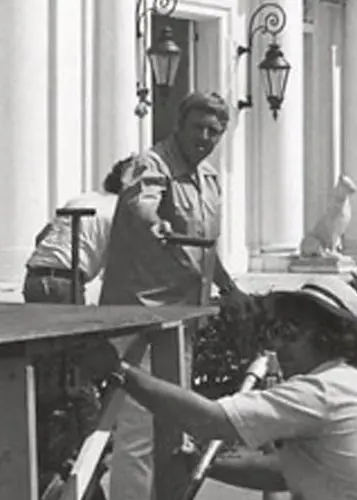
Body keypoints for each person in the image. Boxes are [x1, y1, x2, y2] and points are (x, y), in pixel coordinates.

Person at [72, 276, 357, 500]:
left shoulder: (323, 390)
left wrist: (119, 371)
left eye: (291, 332)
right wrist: (205, 465)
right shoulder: (354, 387)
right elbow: (282, 472)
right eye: (276, 329)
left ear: (328, 338)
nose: (279, 345)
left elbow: (209, 421)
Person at [99, 92, 251, 500]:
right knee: (139, 427)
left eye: (214, 131)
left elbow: (203, 246)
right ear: (179, 125)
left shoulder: (209, 178)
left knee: (173, 427)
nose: (204, 137)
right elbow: (141, 205)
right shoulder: (151, 164)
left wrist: (229, 288)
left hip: (180, 321)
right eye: (198, 128)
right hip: (139, 318)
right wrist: (156, 224)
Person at [23, 159, 127, 304]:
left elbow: (41, 237)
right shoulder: (122, 210)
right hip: (67, 281)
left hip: (34, 276)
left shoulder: (81, 199)